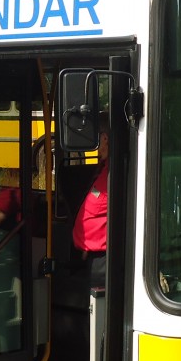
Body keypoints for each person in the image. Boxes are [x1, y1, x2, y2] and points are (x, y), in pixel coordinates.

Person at [72, 118, 109, 289]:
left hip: (104, 260)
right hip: (92, 255)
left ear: (106, 139)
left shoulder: (115, 173)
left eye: (98, 138)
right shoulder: (104, 169)